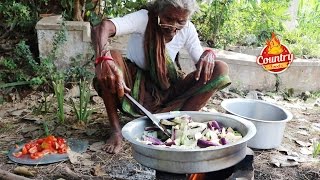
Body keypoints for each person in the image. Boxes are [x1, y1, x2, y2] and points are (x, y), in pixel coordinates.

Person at [91, 0, 231, 154]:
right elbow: (102, 28)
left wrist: (208, 56)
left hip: (167, 88)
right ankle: (116, 131)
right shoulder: (144, 18)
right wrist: (102, 58)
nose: (174, 26)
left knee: (220, 68)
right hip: (132, 87)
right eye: (168, 19)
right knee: (111, 60)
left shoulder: (188, 29)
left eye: (181, 21)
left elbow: (202, 65)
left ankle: (176, 127)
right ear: (158, 11)